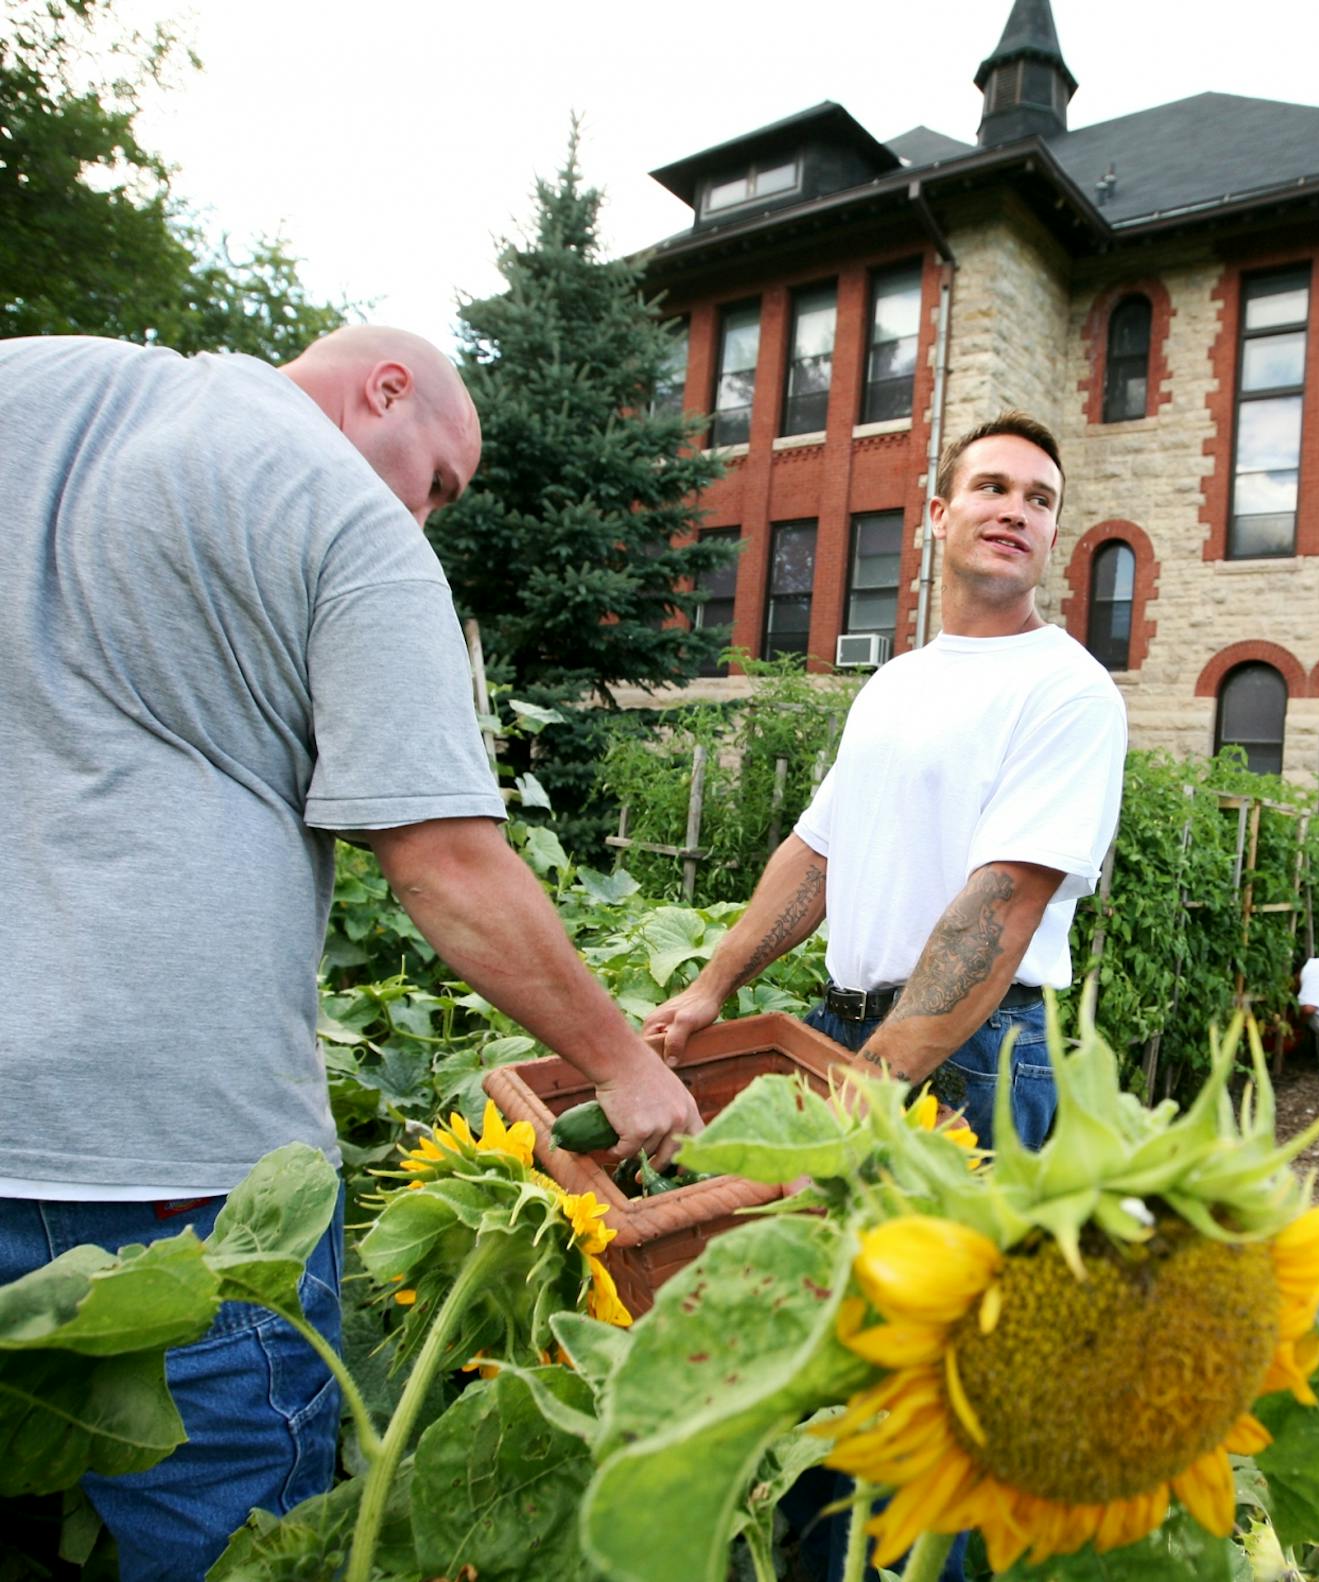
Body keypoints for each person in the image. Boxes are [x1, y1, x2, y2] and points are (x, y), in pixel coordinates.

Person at [0, 327, 702, 1581]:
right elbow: (441, 863)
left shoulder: (42, 382)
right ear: (386, 390)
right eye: (439, 483)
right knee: (233, 1537)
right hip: (171, 1153)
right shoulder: (343, 519)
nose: (427, 519)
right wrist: (625, 1067)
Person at [648, 411, 1126, 1150]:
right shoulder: (896, 682)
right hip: (844, 1022)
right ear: (939, 515)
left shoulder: (1068, 689)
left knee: (936, 1267)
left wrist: (869, 1086)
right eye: (992, 487)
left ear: (1053, 535)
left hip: (976, 1049)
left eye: (1039, 500)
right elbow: (817, 853)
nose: (1015, 511)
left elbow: (1000, 909)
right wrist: (710, 988)